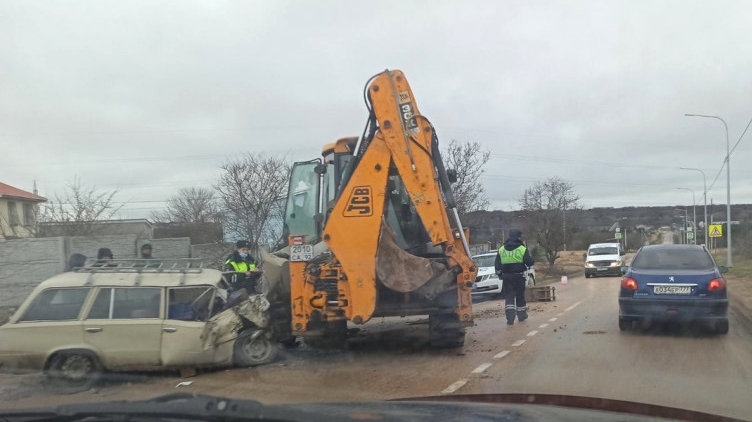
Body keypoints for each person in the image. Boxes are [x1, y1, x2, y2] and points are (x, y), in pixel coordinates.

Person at [495, 229, 534, 326]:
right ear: (518, 237)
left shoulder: (501, 249)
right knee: (520, 296)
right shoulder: (522, 249)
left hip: (507, 277)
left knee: (509, 298)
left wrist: (500, 274)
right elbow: (529, 262)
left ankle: (510, 319)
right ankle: (521, 316)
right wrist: (532, 259)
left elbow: (497, 265)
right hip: (519, 276)